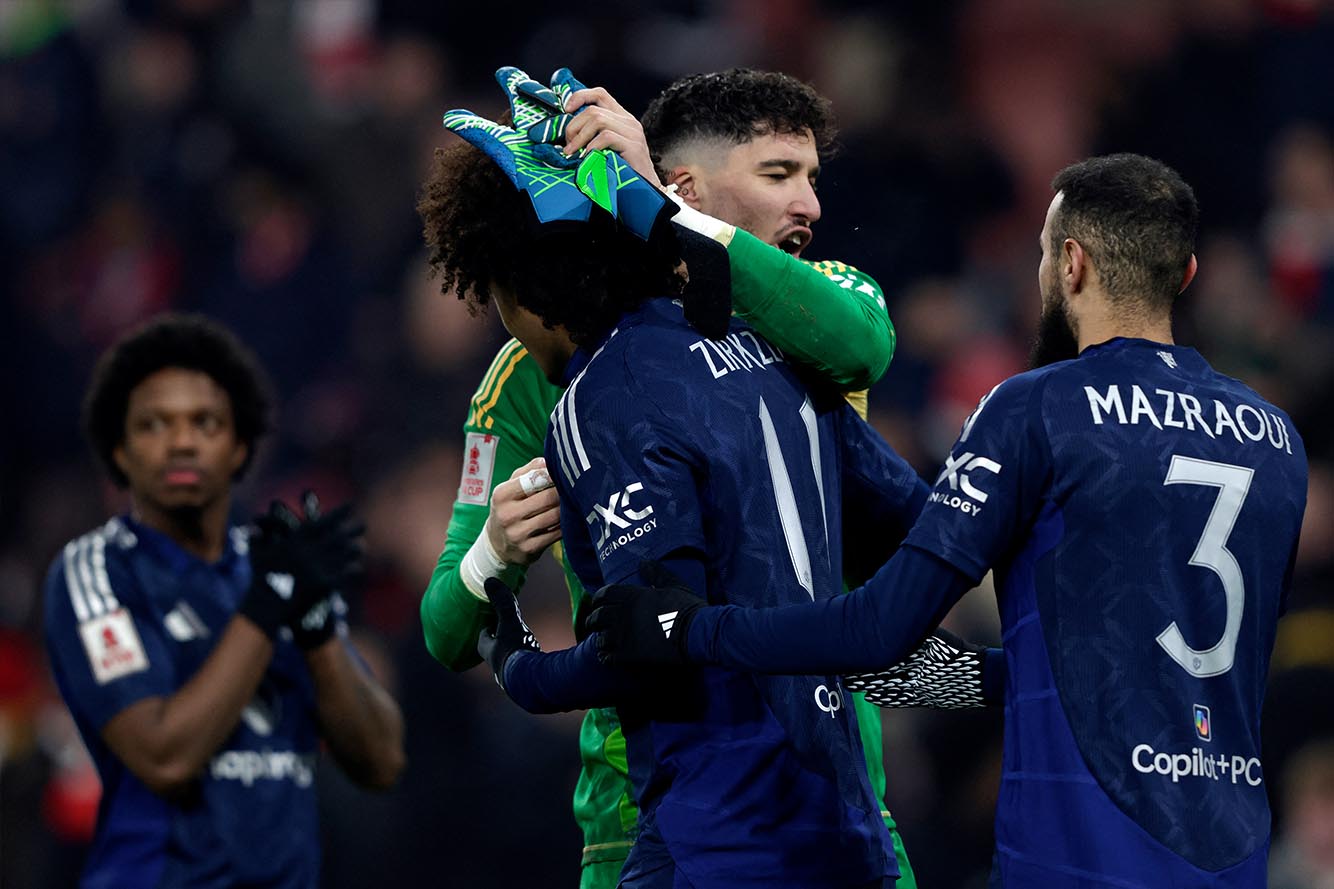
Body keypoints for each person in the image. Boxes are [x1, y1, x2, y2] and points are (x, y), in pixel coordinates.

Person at [589, 154, 1311, 888]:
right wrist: (983, 677)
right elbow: (1169, 663)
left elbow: (878, 626)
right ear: (1185, 274)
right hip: (1234, 859)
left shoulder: (1036, 407)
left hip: (1079, 862)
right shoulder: (1278, 438)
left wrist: (687, 628)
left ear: (1071, 263)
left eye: (1040, 254)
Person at [418, 67, 922, 887]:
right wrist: (492, 555)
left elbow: (866, 347)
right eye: (778, 174)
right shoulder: (522, 385)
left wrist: (531, 673)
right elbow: (444, 628)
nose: (810, 206)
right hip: (640, 805)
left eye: (813, 178)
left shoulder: (820, 305)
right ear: (680, 181)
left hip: (834, 775)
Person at [43, 314, 405, 888]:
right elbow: (164, 758)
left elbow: (381, 761)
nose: (182, 441)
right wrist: (268, 605)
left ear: (240, 447)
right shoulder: (98, 571)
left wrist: (313, 625)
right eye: (154, 425)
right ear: (119, 452)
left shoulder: (277, 568)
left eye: (205, 422)